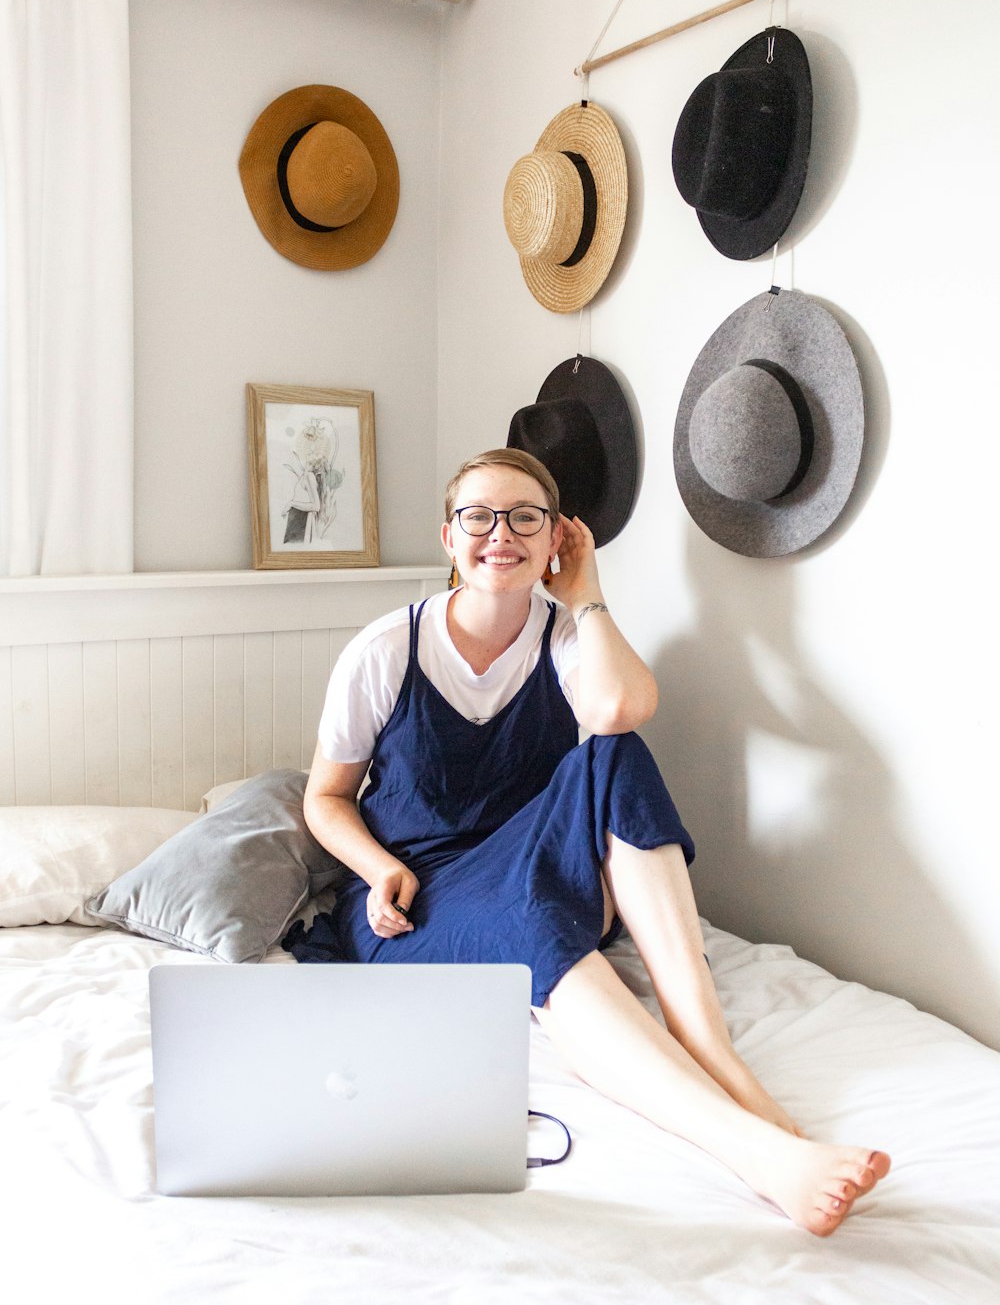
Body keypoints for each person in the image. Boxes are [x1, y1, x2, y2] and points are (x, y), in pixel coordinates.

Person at [285, 448, 890, 1236]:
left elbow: (619, 709)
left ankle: (711, 1046)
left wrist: (588, 597)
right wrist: (378, 866)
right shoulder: (384, 650)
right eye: (479, 517)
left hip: (536, 863)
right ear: (448, 537)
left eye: (524, 518)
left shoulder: (565, 637)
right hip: (425, 893)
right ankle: (759, 1153)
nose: (499, 534)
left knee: (615, 752)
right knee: (536, 920)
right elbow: (325, 798)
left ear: (555, 539)